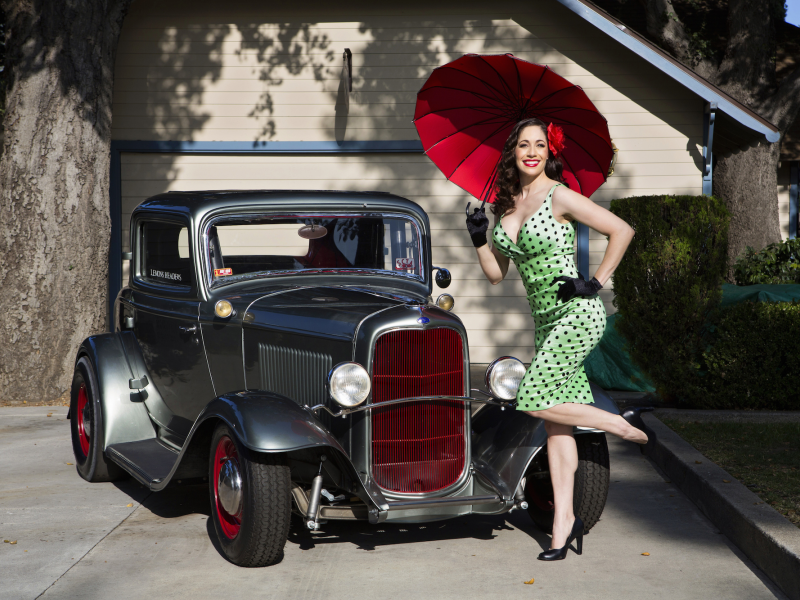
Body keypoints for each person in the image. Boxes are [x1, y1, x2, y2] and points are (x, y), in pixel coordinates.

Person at [465, 117, 655, 561]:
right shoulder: (508, 207)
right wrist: (478, 239)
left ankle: (618, 423)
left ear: (550, 152)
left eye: (540, 145)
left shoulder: (560, 195)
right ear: (513, 152)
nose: (532, 152)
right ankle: (562, 525)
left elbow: (622, 230)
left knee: (530, 399)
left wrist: (595, 282)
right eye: (524, 145)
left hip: (577, 312)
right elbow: (496, 275)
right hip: (545, 321)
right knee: (556, 426)